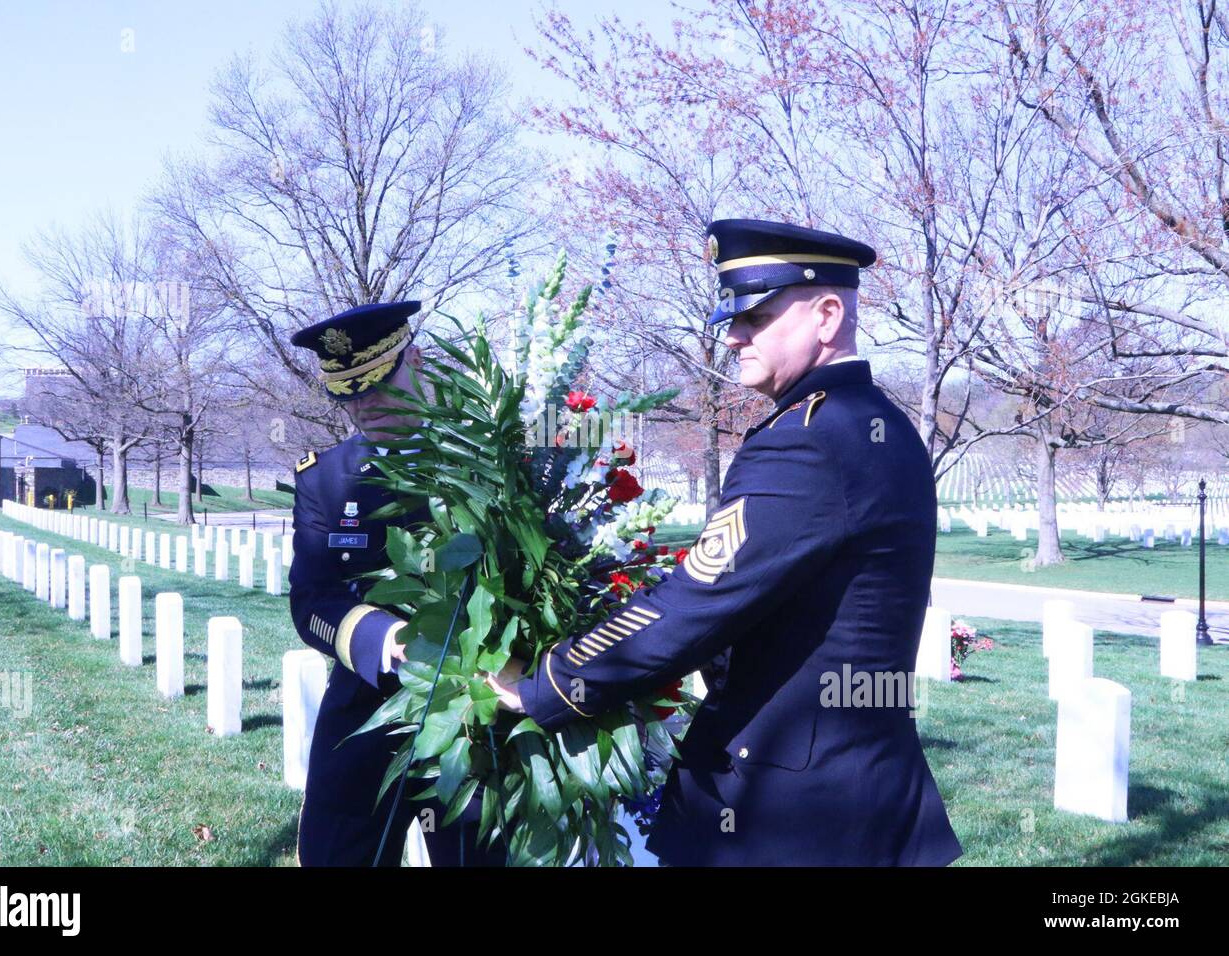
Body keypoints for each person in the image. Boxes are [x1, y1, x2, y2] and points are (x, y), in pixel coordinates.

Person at [488, 219, 964, 865]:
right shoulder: (874, 422)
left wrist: (552, 682)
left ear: (827, 315)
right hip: (852, 788)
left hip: (789, 808)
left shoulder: (811, 437)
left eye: (756, 317)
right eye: (732, 319)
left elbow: (700, 596)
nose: (733, 336)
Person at [288, 301, 503, 867]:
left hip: (480, 712)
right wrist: (388, 640)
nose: (365, 404)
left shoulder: (488, 458)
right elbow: (313, 599)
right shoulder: (325, 479)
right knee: (335, 853)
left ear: (418, 360)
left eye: (380, 382)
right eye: (348, 393)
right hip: (367, 704)